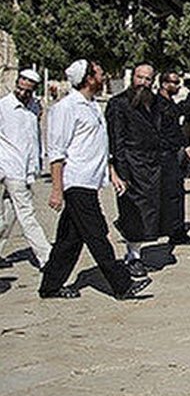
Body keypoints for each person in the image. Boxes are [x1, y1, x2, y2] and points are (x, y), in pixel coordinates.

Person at [39, 59, 150, 300]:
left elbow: (98, 146)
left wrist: (112, 173)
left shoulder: (92, 106)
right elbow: (56, 153)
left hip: (90, 180)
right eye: (99, 73)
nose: (103, 77)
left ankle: (50, 286)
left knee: (69, 239)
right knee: (97, 234)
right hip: (76, 182)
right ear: (88, 79)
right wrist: (57, 189)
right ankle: (122, 285)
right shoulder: (66, 108)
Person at [106, 63, 165, 278]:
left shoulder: (155, 102)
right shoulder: (119, 103)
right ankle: (133, 256)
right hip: (130, 164)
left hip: (152, 165)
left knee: (149, 211)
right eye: (140, 77)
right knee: (132, 211)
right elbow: (116, 139)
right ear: (133, 78)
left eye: (148, 79)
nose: (143, 82)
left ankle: (137, 250)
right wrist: (119, 171)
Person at [0, 69, 53, 268]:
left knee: (8, 215)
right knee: (26, 214)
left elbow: (34, 137)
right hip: (10, 167)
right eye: (20, 87)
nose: (22, 92)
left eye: (27, 90)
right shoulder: (3, 107)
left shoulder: (34, 107)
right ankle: (46, 257)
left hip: (27, 169)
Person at [157, 70, 190, 246]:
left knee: (175, 194)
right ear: (164, 84)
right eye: (174, 82)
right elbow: (171, 123)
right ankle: (174, 231)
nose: (177, 86)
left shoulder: (167, 102)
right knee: (172, 194)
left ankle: (175, 229)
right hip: (164, 155)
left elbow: (176, 125)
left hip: (171, 154)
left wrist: (185, 145)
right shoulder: (159, 103)